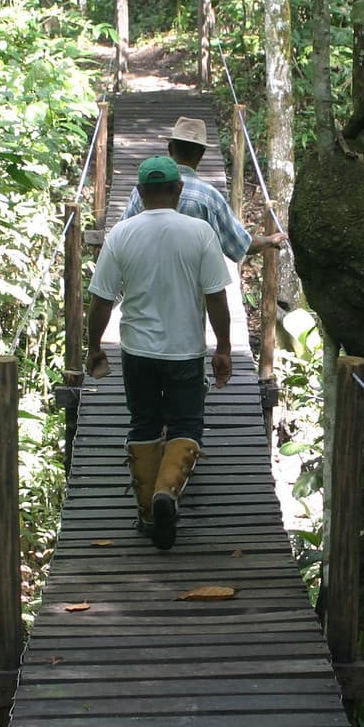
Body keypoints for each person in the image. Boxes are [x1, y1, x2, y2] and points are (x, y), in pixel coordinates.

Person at [87, 155, 233, 550]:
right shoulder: (200, 232)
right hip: (184, 350)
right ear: (178, 189)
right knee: (186, 425)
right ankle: (167, 492)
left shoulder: (121, 234)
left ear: (138, 192)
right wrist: (222, 347)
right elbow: (216, 296)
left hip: (137, 350)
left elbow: (101, 300)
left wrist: (94, 347)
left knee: (145, 423)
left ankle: (149, 514)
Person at [120, 116, 288, 262]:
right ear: (201, 154)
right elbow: (241, 245)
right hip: (192, 294)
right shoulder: (209, 197)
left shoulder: (144, 191)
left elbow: (120, 237)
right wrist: (269, 240)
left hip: (145, 291)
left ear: (170, 149)